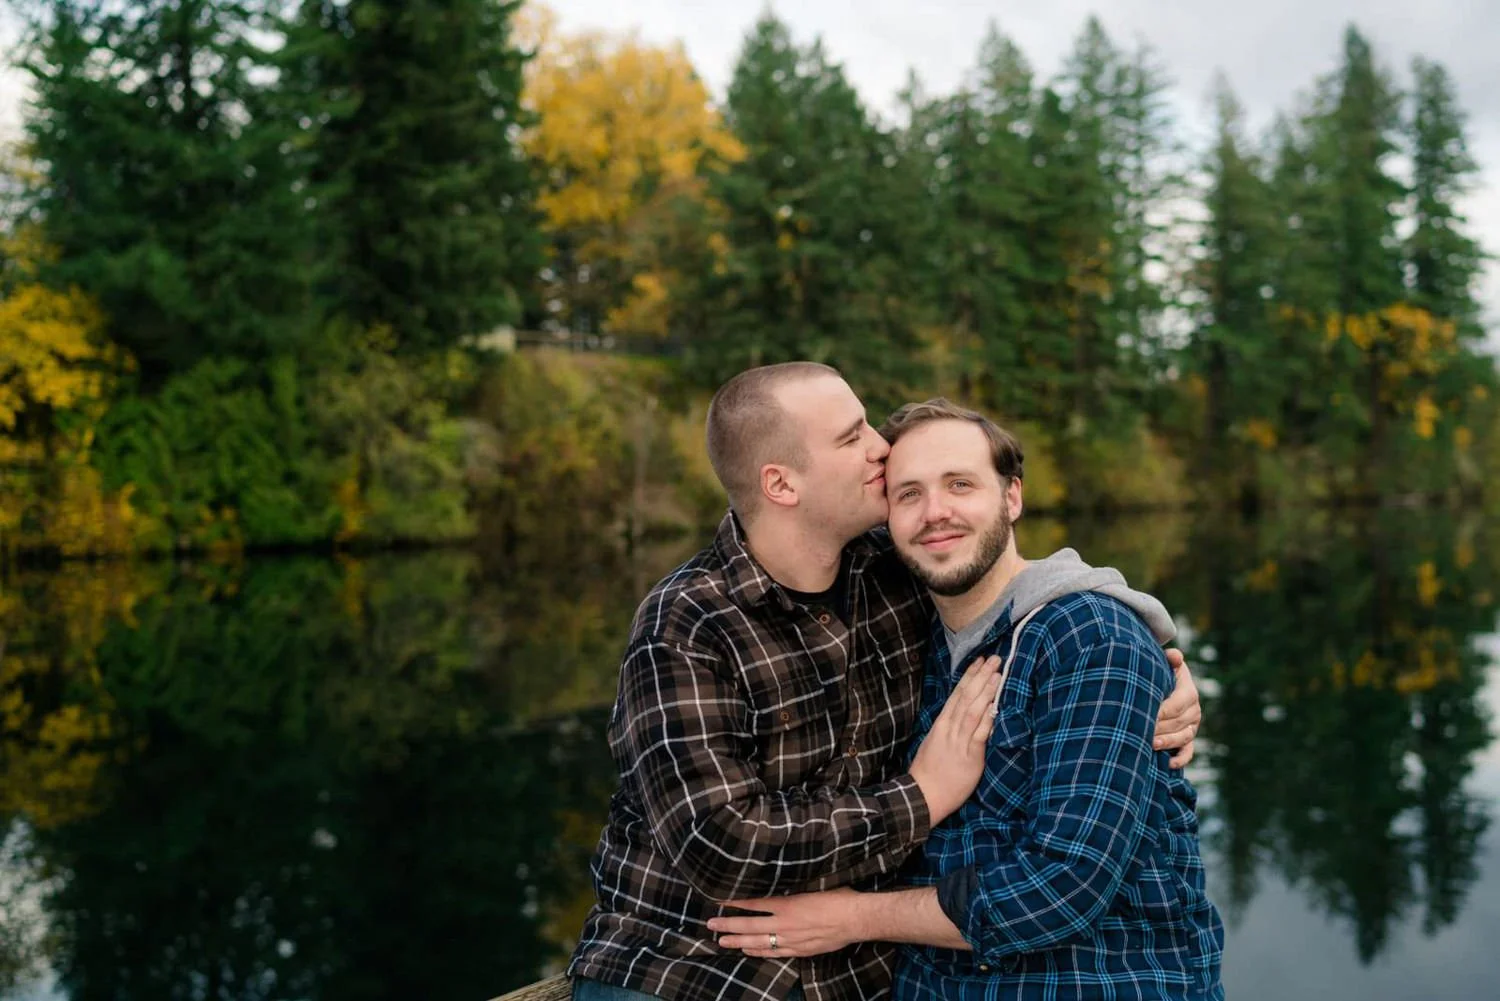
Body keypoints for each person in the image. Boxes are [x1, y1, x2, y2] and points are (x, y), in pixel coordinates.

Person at [569, 364, 1203, 1001]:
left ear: (1013, 494)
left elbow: (1030, 592)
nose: (879, 448)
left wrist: (1154, 658)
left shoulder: (898, 574)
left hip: (865, 970)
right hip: (691, 964)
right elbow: (719, 845)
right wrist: (922, 796)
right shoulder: (687, 622)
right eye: (852, 439)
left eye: (868, 424)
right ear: (781, 483)